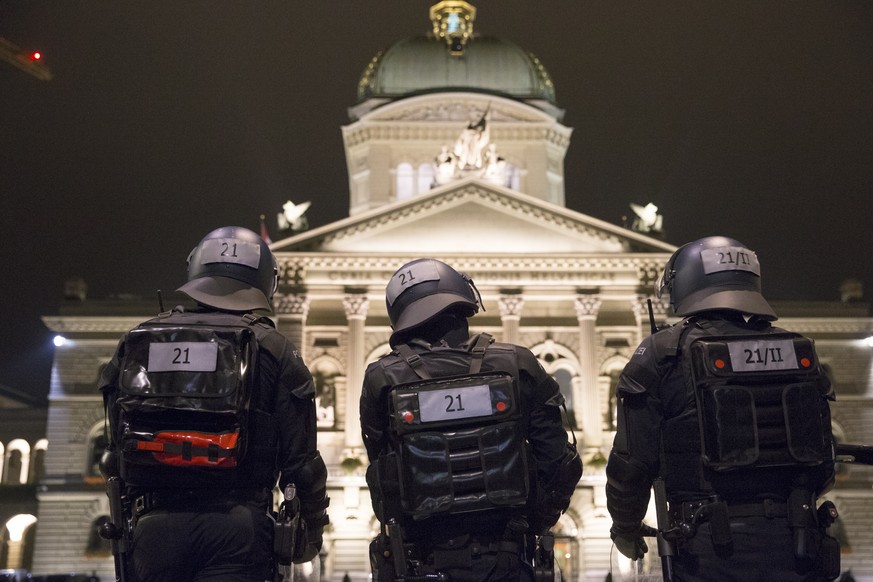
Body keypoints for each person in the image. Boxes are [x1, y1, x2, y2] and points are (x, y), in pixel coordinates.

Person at [99, 226, 328, 582]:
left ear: (195, 268)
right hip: (239, 526)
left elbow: (114, 448)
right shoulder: (273, 348)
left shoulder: (140, 339)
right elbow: (302, 462)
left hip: (152, 527)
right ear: (268, 280)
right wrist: (309, 532)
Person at [605, 236, 839, 581]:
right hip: (795, 539)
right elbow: (824, 461)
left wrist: (625, 527)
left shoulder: (664, 354)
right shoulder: (796, 350)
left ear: (686, 283)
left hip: (708, 545)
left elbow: (633, 461)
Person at [360, 258, 582, 582]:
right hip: (505, 557)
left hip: (423, 559)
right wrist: (530, 525)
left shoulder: (381, 378)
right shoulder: (517, 363)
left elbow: (382, 473)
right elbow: (561, 463)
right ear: (463, 306)